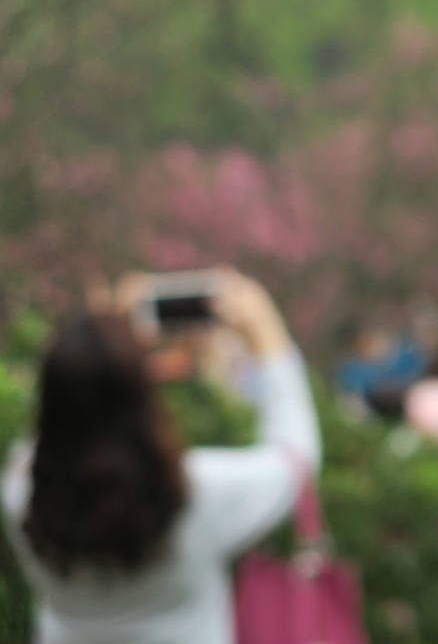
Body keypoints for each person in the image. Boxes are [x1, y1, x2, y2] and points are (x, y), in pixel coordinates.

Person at [1, 269, 320, 644]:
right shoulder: (197, 495)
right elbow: (296, 457)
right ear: (144, 399)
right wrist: (268, 338)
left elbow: (71, 409)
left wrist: (102, 341)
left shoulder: (21, 491)